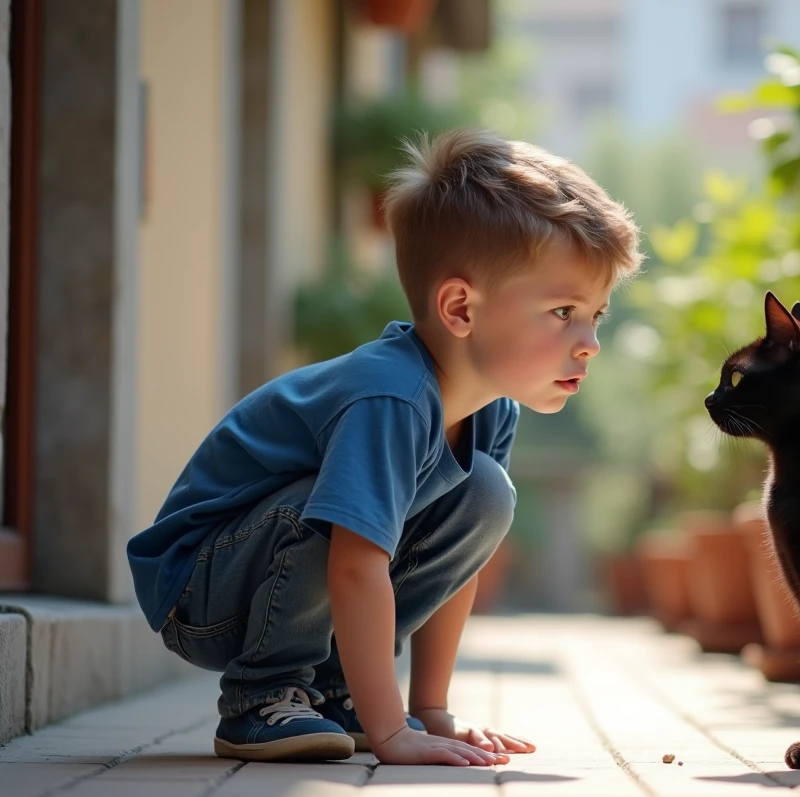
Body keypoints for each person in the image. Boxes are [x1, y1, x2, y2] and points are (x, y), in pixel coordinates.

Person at [126, 128, 643, 764]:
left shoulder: (491, 408)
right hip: (202, 592)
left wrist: (429, 711)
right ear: (460, 308)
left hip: (288, 577)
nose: (589, 340)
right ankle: (260, 697)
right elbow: (353, 562)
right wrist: (393, 735)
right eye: (564, 311)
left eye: (598, 314)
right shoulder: (391, 398)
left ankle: (337, 692)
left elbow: (458, 564)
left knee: (485, 494)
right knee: (338, 512)